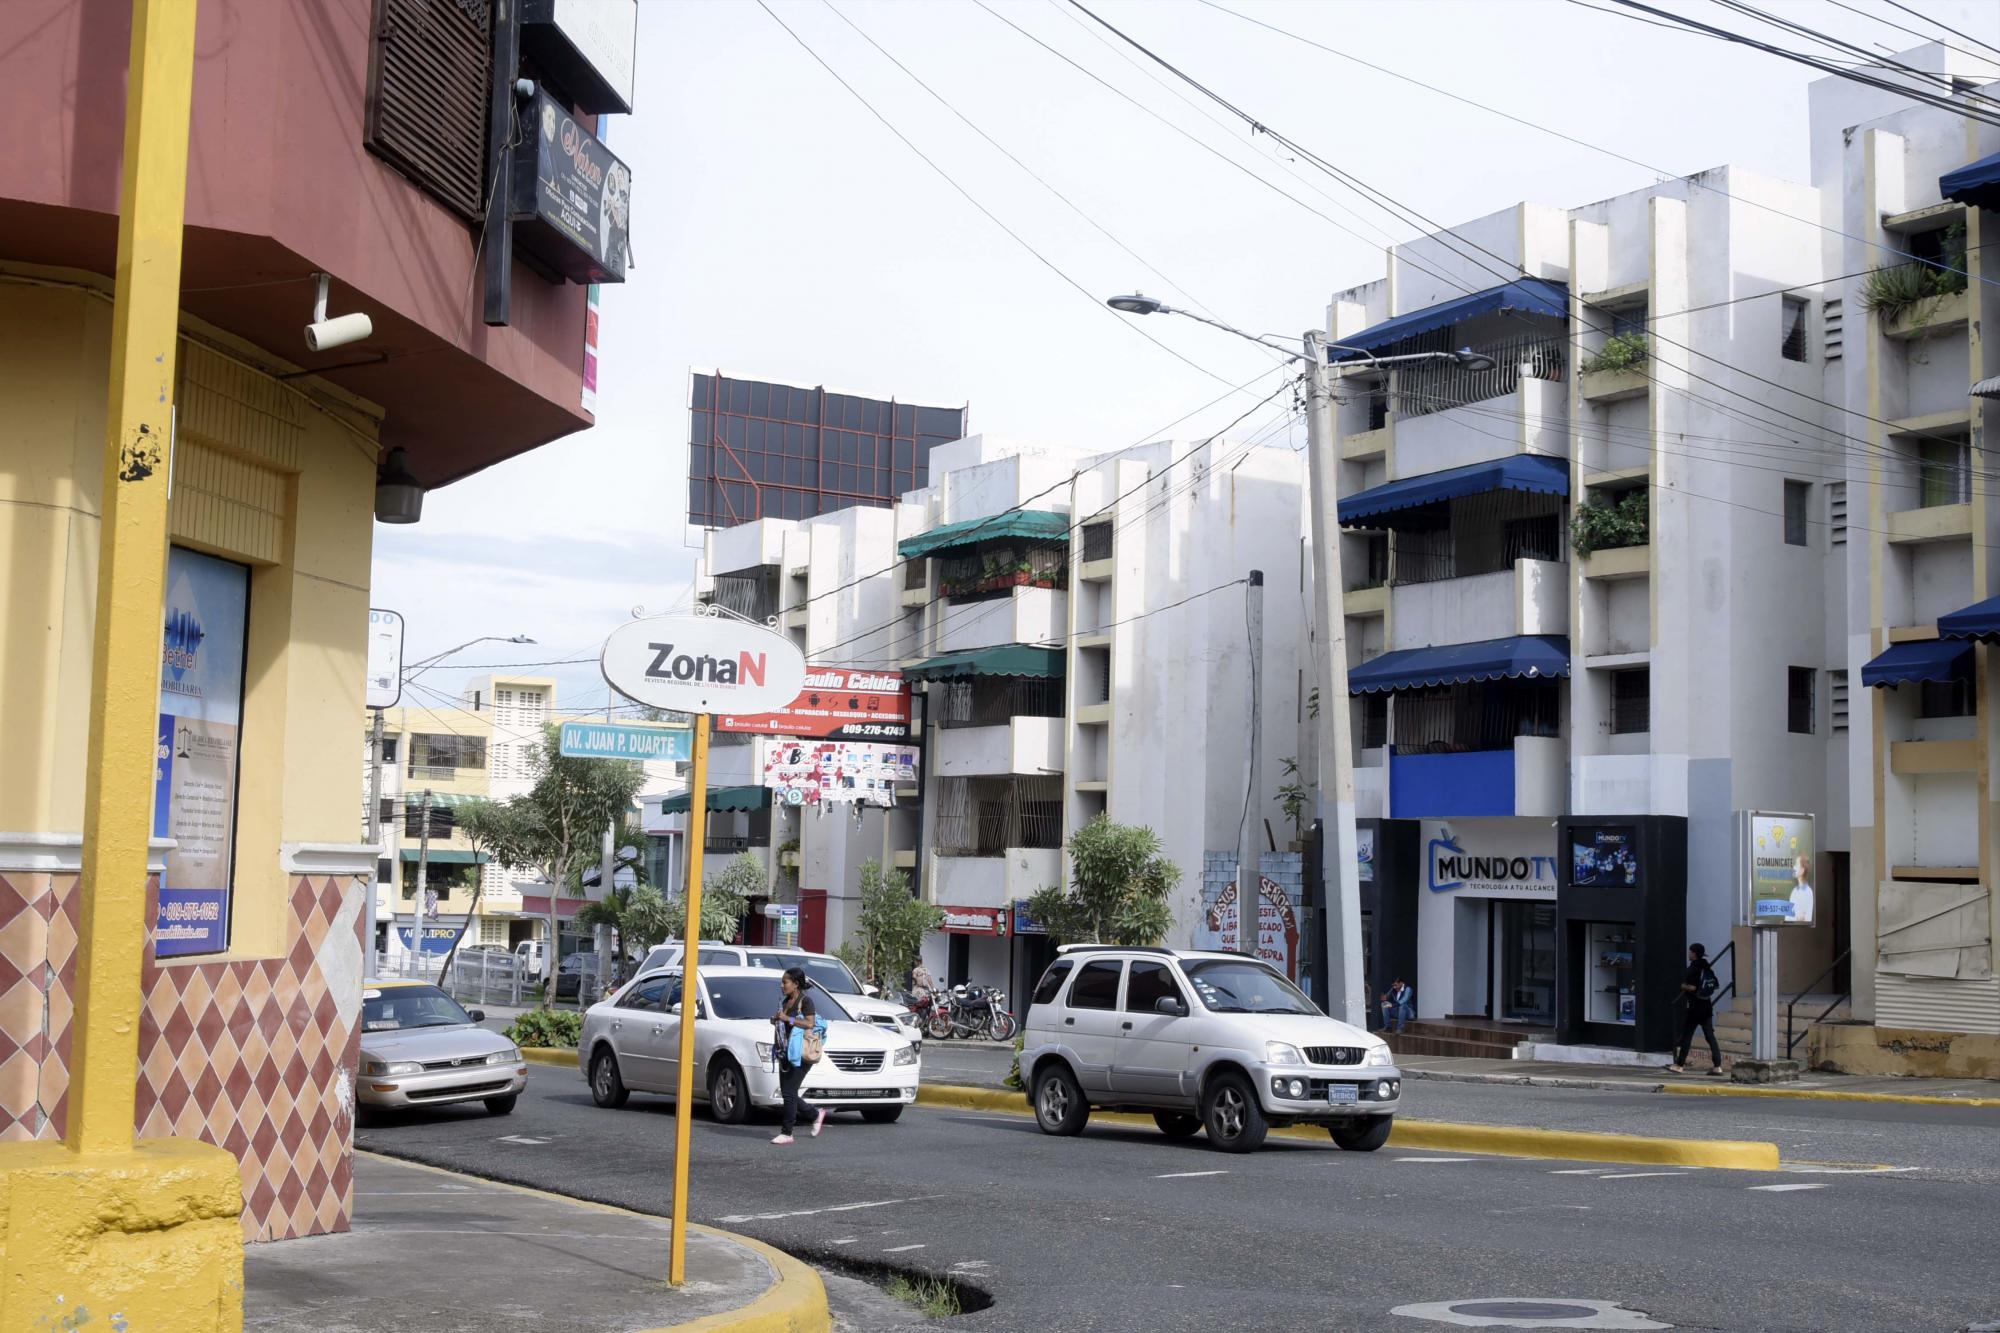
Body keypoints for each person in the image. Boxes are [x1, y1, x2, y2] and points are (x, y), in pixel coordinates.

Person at [769, 966, 825, 1145]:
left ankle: (787, 1132)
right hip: (785, 1051)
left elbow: (810, 1023)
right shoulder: (786, 1001)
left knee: (789, 1092)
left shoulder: (806, 1001)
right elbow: (785, 1023)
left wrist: (788, 1019)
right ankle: (815, 1114)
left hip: (801, 1053)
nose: (781, 985)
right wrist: (776, 1019)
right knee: (788, 1092)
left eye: (785, 982)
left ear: (796, 984)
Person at [1668, 943, 1724, 1075]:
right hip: (1707, 1005)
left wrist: (1683, 986)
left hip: (1695, 1006)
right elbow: (1715, 986)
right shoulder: (1707, 967)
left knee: (1687, 1035)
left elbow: (1692, 987)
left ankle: (1679, 1065)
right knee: (1710, 1036)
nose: (1688, 954)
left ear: (1694, 953)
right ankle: (1717, 1066)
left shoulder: (1693, 968)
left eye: (1690, 951)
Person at [1789, 854, 1816, 926]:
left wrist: (1795, 917)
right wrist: (1798, 918)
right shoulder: (1794, 891)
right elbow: (1787, 918)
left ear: (1802, 870)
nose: (1793, 867)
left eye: (1796, 865)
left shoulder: (1809, 892)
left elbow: (1808, 919)